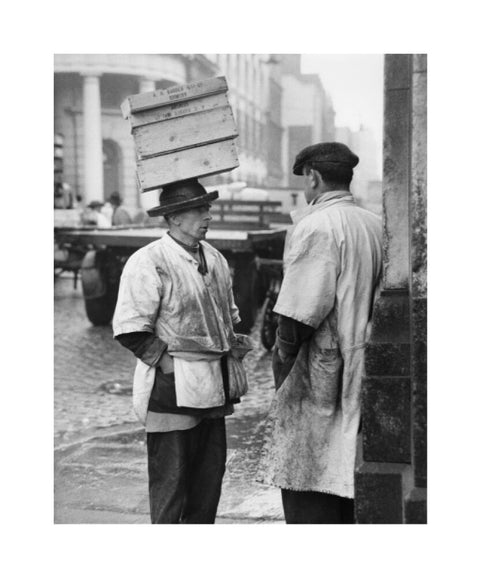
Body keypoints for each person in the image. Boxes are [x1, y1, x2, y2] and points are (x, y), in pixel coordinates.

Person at [112, 178, 252, 524]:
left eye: (208, 207)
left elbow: (228, 315)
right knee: (171, 481)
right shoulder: (150, 261)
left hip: (214, 387)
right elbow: (130, 328)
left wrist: (234, 341)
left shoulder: (216, 259)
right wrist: (168, 364)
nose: (209, 215)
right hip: (170, 390)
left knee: (208, 481)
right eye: (199, 209)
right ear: (174, 217)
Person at [257, 142, 383, 523]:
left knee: (310, 476)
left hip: (323, 369)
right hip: (363, 360)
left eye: (304, 181)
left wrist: (282, 365)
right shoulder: (374, 223)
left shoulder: (316, 225)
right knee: (347, 471)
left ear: (312, 177)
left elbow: (297, 314)